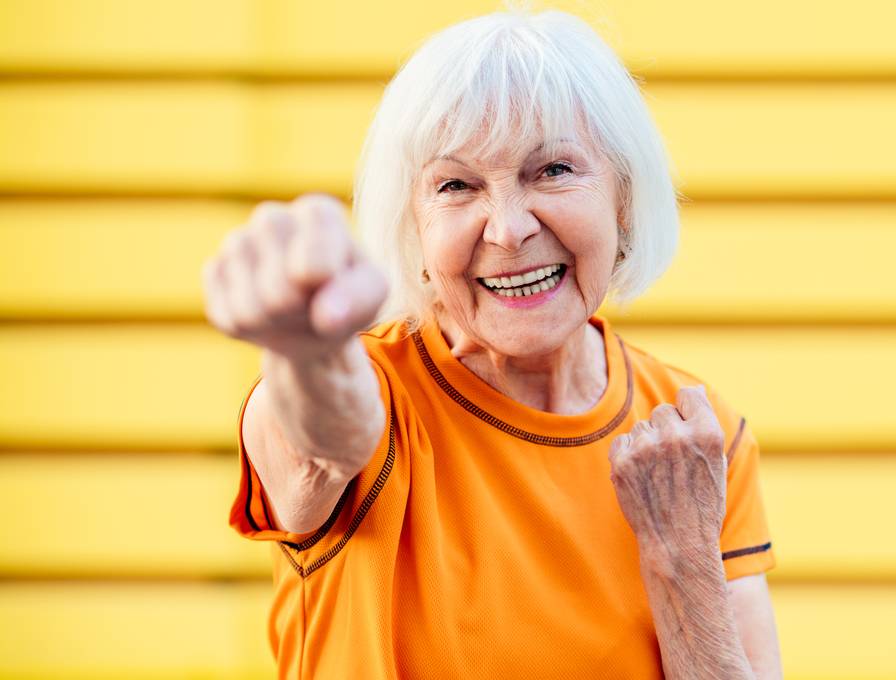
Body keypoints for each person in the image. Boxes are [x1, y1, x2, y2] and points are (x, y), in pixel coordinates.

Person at [202, 7, 782, 679]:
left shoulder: (689, 433)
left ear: (624, 200)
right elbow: (322, 438)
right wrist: (308, 351)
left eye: (554, 170)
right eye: (456, 185)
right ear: (414, 231)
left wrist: (683, 560)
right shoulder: (378, 392)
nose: (507, 229)